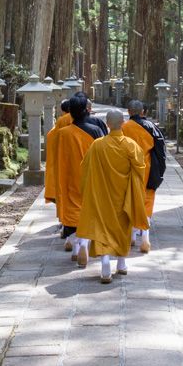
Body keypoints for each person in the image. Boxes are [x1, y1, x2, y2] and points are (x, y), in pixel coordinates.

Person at [77, 109, 149, 284]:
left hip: (102, 197)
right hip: (124, 197)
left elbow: (85, 169)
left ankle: (105, 264)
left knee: (103, 229)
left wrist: (90, 188)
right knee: (123, 229)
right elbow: (141, 169)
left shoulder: (97, 145)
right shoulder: (131, 145)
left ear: (107, 124)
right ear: (123, 123)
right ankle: (122, 264)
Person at [52, 93, 105, 265]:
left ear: (71, 113)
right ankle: (84, 243)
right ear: (86, 111)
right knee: (89, 211)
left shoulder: (63, 133)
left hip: (69, 179)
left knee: (73, 213)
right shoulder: (96, 131)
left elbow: (57, 160)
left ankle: (76, 246)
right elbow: (102, 157)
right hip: (90, 178)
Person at [120, 100, 166, 253]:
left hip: (127, 170)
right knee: (146, 199)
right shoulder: (152, 128)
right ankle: (145, 237)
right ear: (143, 112)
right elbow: (161, 153)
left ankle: (131, 236)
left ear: (128, 111)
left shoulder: (123, 127)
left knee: (129, 200)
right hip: (147, 169)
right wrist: (160, 172)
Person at [44, 99, 74, 250]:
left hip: (63, 160)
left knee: (63, 194)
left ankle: (66, 225)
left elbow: (54, 137)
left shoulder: (62, 121)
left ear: (62, 110)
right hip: (76, 161)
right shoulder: (74, 119)